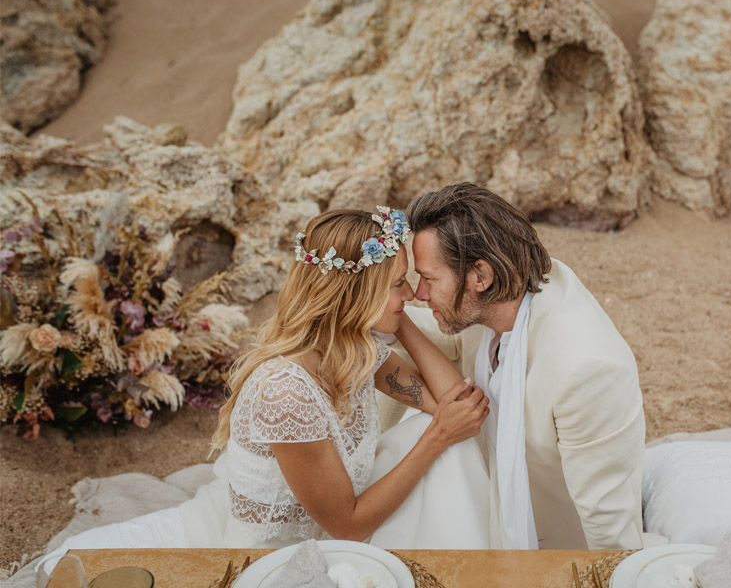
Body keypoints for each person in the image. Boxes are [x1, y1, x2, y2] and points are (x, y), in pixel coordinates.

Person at [36, 207, 493, 578]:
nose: (413, 292)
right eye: (399, 283)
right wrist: (436, 437)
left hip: (338, 517)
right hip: (277, 558)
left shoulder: (355, 348)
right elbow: (348, 527)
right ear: (353, 294)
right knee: (438, 441)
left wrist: (395, 314)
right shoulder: (287, 391)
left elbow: (454, 402)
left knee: (445, 441)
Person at [398, 183, 646, 550]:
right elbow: (443, 336)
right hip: (487, 499)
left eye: (429, 279)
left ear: (481, 276)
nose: (419, 294)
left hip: (551, 545)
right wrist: (374, 311)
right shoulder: (498, 302)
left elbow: (609, 529)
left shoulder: (587, 371)